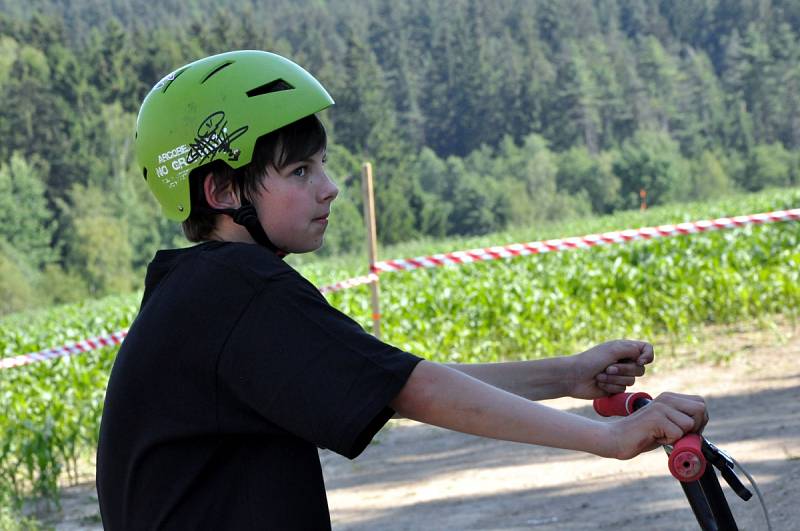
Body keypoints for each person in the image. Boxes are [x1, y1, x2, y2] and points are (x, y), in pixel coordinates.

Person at [96, 50, 707, 530]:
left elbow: (386, 381)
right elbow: (416, 390)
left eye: (323, 165)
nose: (329, 188)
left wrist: (568, 377)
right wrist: (607, 437)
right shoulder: (236, 287)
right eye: (299, 171)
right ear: (224, 193)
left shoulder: (203, 290)